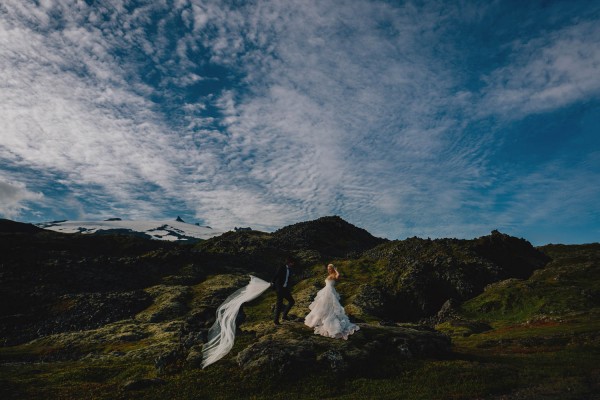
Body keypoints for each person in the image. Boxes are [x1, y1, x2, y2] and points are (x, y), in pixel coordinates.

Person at [304, 264, 359, 339]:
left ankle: (331, 323)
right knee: (322, 306)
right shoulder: (330, 275)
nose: (328, 270)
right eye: (328, 268)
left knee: (330, 306)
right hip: (326, 291)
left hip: (330, 292)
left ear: (332, 269)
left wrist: (336, 270)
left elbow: (338, 276)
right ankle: (318, 320)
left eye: (330, 268)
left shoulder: (334, 275)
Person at [271, 257, 296, 325]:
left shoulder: (290, 269)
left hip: (285, 289)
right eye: (292, 262)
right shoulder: (282, 267)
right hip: (279, 288)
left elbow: (289, 279)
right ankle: (276, 321)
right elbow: (276, 275)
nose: (293, 264)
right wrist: (273, 283)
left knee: (292, 301)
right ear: (289, 262)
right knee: (279, 304)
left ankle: (284, 316)